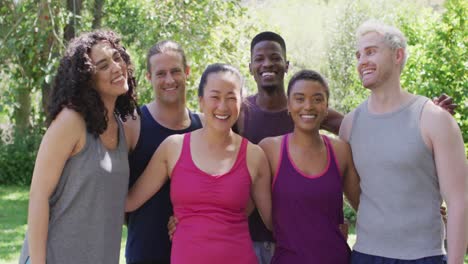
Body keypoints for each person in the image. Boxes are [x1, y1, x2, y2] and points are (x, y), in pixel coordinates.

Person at [339, 20, 467, 264]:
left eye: (371, 51)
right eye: (358, 55)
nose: (361, 61)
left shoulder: (434, 119)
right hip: (365, 255)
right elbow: (354, 190)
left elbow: (459, 201)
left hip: (423, 257)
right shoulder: (350, 124)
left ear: (398, 55)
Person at [126, 63, 272, 264]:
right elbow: (130, 201)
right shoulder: (173, 148)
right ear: (201, 101)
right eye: (215, 97)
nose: (223, 106)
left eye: (231, 98)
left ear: (241, 102)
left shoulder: (255, 156)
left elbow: (274, 222)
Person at [18, 30, 138, 264]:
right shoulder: (71, 121)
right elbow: (38, 196)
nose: (116, 67)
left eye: (116, 57)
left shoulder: (122, 127)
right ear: (87, 78)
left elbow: (121, 200)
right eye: (103, 65)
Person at [259, 69, 360, 263]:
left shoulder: (341, 151)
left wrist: (419, 207)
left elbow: (366, 207)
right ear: (288, 105)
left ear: (326, 106)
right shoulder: (269, 149)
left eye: (317, 99)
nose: (308, 106)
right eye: (299, 99)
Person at [123, 40, 202, 264]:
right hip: (145, 252)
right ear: (149, 78)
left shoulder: (204, 127)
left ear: (187, 72)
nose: (169, 80)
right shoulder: (132, 124)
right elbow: (113, 192)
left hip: (197, 253)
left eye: (175, 71)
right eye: (161, 73)